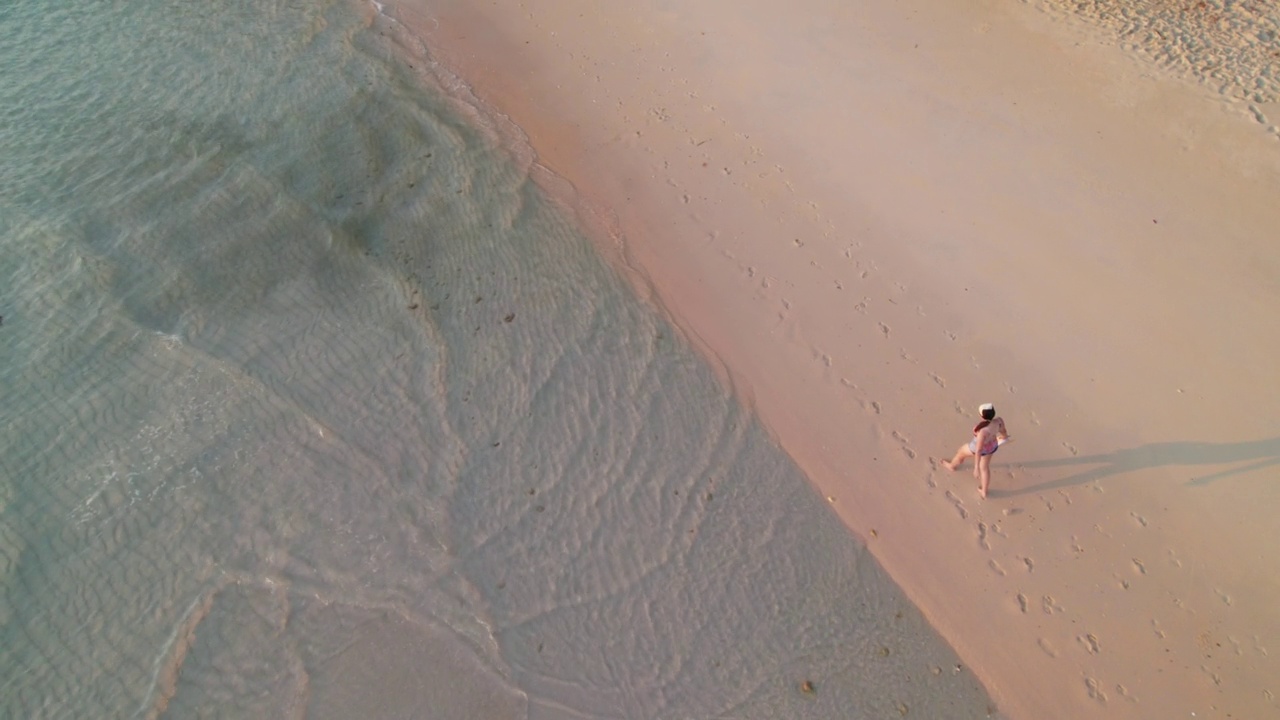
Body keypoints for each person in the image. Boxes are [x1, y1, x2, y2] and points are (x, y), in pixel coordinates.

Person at [942, 403, 1010, 498]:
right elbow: (1003, 430)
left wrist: (976, 467)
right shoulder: (999, 421)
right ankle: (984, 491)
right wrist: (1004, 437)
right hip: (992, 446)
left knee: (961, 452)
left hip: (978, 448)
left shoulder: (983, 431)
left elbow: (978, 450)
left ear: (982, 416)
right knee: (985, 468)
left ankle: (952, 466)